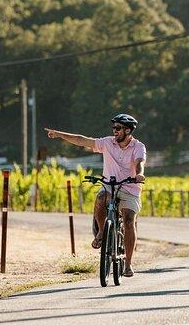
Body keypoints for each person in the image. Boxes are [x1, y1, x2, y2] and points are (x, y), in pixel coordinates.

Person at [45, 113, 146, 277]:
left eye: (118, 128)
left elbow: (139, 163)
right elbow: (81, 140)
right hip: (109, 186)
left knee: (128, 221)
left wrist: (139, 174)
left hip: (130, 188)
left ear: (128, 130)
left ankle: (127, 264)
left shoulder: (138, 147)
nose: (115, 131)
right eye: (113, 127)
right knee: (100, 198)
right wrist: (59, 134)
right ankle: (101, 231)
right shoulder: (107, 143)